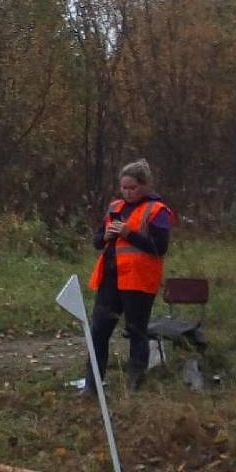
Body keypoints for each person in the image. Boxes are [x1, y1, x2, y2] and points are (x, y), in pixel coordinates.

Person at [84, 159, 175, 390]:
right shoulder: (115, 207)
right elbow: (97, 241)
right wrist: (105, 236)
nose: (127, 192)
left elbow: (159, 247)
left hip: (138, 281)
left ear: (145, 185)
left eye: (132, 188)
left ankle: (135, 384)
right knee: (98, 332)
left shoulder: (158, 211)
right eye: (123, 187)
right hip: (111, 278)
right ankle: (92, 386)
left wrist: (128, 232)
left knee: (136, 331)